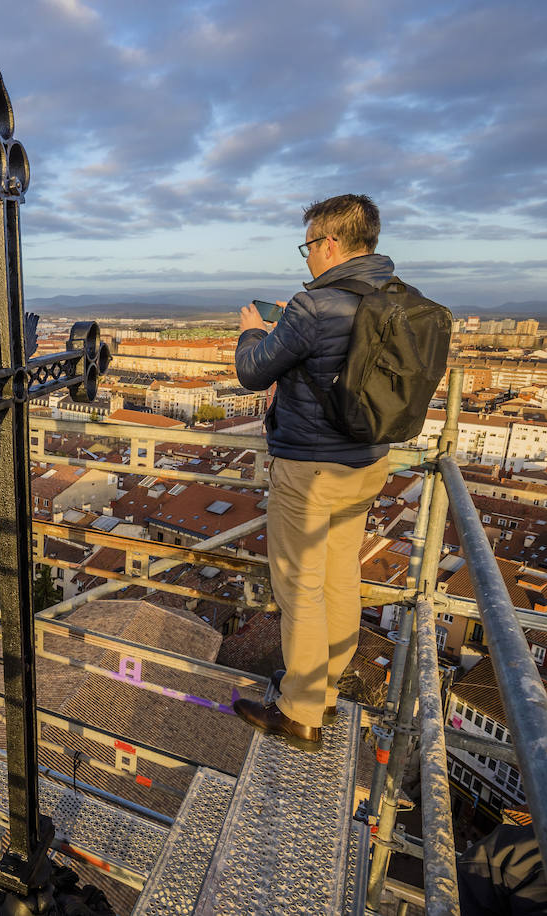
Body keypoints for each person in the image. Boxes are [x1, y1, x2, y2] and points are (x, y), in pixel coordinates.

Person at [231, 193, 397, 750]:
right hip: (368, 465)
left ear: (329, 244)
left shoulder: (315, 305)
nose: (306, 259)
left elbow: (253, 373)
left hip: (311, 468)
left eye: (308, 247)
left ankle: (301, 711)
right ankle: (321, 685)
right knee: (340, 577)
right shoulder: (397, 299)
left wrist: (254, 330)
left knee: (299, 586)